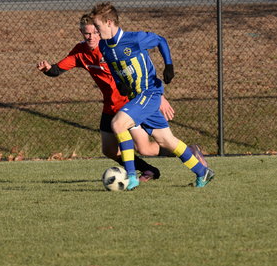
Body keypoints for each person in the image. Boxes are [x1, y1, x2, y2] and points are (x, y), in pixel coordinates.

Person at [89, 2, 214, 190]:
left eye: (97, 27)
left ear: (109, 23)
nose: (96, 32)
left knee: (118, 124)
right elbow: (114, 67)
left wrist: (169, 65)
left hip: (150, 93)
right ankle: (202, 171)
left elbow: (161, 40)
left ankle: (131, 177)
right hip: (136, 98)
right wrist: (120, 83)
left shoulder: (134, 39)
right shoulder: (104, 46)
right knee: (167, 141)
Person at [36, 13, 174, 182]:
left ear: (100, 30)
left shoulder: (111, 48)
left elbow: (143, 68)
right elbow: (57, 69)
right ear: (81, 32)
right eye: (87, 33)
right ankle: (149, 169)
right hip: (110, 105)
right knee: (109, 150)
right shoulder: (80, 52)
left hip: (130, 103)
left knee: (144, 148)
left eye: (95, 32)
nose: (91, 37)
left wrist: (159, 96)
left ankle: (183, 152)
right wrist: (48, 69)